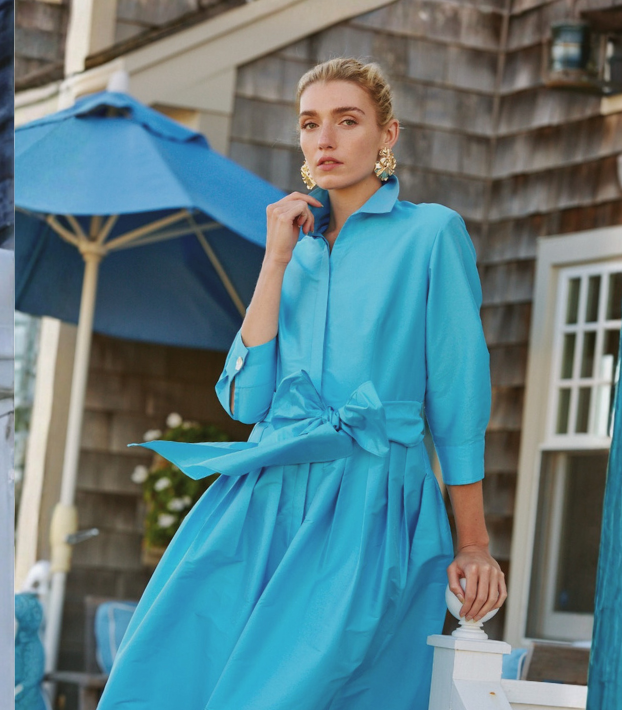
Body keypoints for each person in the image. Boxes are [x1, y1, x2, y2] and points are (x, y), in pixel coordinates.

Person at [96, 58, 507, 709]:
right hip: (260, 500)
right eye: (311, 124)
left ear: (387, 135)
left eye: (348, 121)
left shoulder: (431, 235)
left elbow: (459, 398)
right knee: (164, 674)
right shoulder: (292, 247)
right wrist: (275, 257)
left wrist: (475, 543)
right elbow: (244, 400)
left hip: (370, 501)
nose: (327, 139)